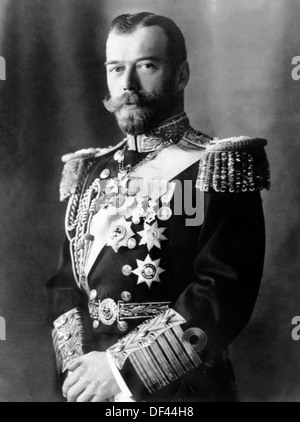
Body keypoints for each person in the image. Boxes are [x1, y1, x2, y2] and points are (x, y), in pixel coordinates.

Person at [46, 12, 270, 403]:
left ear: (181, 74)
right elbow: (66, 284)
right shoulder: (88, 171)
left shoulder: (218, 166)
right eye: (116, 69)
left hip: (183, 391)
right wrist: (83, 372)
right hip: (92, 385)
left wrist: (119, 372)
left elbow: (224, 293)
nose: (127, 85)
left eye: (146, 66)